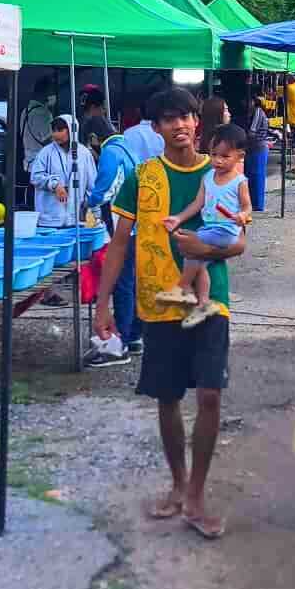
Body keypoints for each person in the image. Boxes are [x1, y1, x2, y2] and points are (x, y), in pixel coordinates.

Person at [92, 87, 247, 539]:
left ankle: (197, 493)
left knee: (211, 394)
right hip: (159, 302)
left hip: (210, 298)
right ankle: (178, 483)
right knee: (167, 397)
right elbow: (120, 242)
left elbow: (239, 241)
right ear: (155, 127)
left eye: (185, 116)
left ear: (198, 121)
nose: (179, 125)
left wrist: (207, 248)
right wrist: (102, 303)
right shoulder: (143, 176)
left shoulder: (223, 171)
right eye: (168, 119)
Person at [159, 123, 253, 330]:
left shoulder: (239, 181)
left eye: (225, 156)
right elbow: (197, 204)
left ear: (240, 156)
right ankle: (203, 302)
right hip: (211, 229)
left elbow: (248, 207)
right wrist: (178, 218)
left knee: (190, 247)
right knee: (199, 263)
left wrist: (242, 216)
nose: (217, 161)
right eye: (213, 154)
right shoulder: (208, 177)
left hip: (226, 231)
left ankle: (183, 287)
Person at [83, 115, 141, 366]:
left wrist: (89, 202)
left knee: (122, 282)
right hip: (136, 224)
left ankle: (121, 342)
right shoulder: (128, 147)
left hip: (120, 225)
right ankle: (135, 334)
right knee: (133, 281)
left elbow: (103, 190)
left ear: (95, 139)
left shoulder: (110, 152)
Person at [31, 115, 96, 230]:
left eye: (60, 130)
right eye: (54, 131)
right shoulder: (45, 152)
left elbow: (92, 185)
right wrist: (54, 185)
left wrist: (91, 210)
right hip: (50, 220)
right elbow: (35, 177)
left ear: (72, 130)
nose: (55, 134)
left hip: (76, 220)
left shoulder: (84, 153)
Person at [245, 93, 272, 212]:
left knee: (257, 177)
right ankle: (255, 203)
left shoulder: (257, 112)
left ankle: (257, 205)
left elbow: (252, 132)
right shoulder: (256, 112)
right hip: (256, 147)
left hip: (258, 147)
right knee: (254, 176)